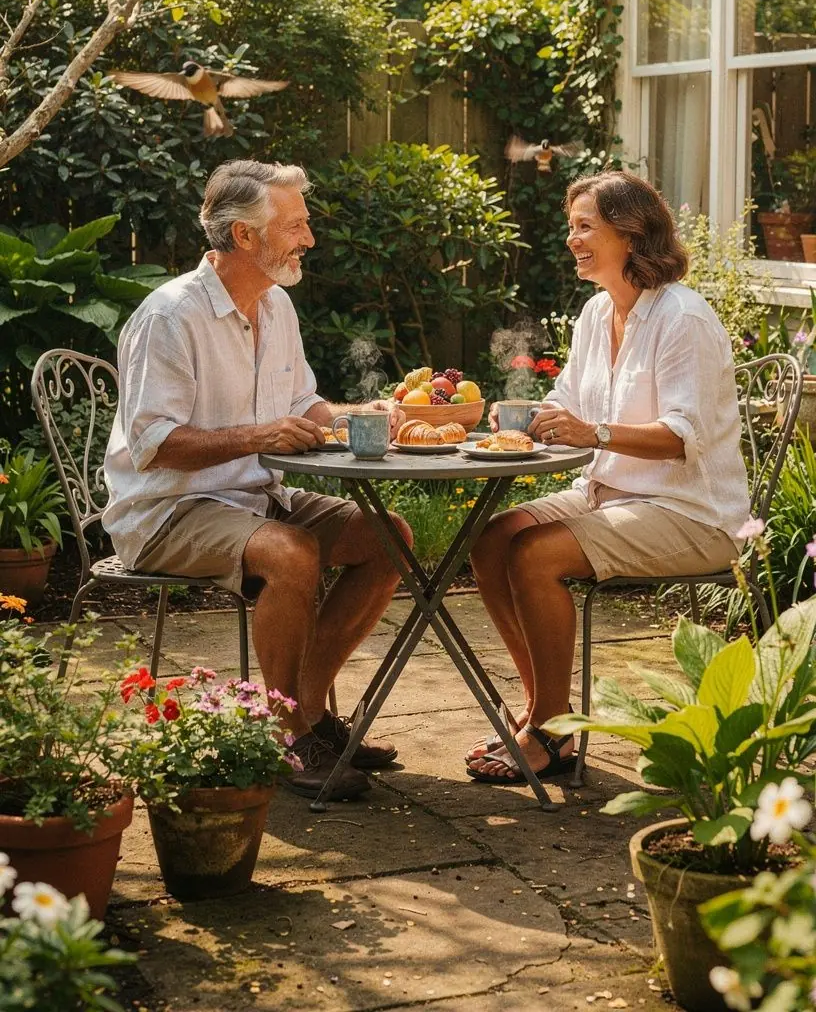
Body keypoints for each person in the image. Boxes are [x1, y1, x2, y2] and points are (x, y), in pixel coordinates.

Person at [103, 159, 411, 801]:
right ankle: (288, 730)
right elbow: (155, 446)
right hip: (167, 510)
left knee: (390, 538)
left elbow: (304, 407)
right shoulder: (170, 316)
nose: (310, 239)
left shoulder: (277, 306)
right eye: (296, 225)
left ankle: (308, 714)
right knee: (290, 551)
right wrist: (259, 437)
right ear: (245, 236)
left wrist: (363, 416)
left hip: (257, 495)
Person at [465, 170, 750, 784]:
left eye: (584, 227)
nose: (572, 240)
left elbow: (680, 438)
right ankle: (550, 708)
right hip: (607, 495)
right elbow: (568, 401)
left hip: (691, 512)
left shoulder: (684, 318)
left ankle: (547, 730)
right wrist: (526, 418)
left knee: (536, 555)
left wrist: (590, 432)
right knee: (490, 539)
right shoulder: (598, 312)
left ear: (631, 232)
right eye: (571, 228)